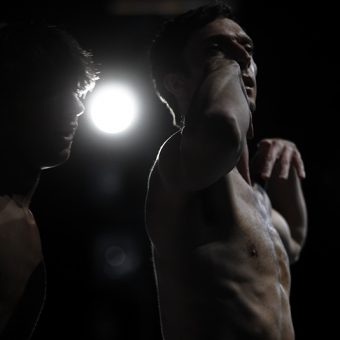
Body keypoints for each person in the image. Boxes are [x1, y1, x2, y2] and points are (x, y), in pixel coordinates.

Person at [145, 1, 308, 339]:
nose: (242, 58)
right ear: (176, 82)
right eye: (215, 48)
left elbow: (293, 239)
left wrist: (288, 167)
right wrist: (225, 64)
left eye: (247, 47)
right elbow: (221, 129)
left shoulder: (257, 198)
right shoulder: (176, 165)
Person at [0, 22, 97, 339]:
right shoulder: (6, 217)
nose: (78, 107)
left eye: (75, 91)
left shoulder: (19, 214)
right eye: (54, 92)